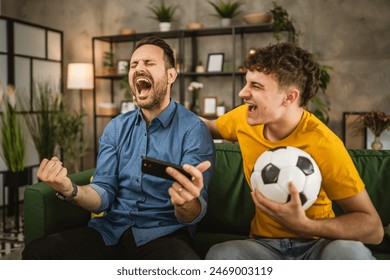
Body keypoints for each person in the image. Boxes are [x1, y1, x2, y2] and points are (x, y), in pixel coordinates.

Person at [22, 36, 215, 260]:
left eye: (149, 63)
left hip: (164, 236)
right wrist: (69, 189)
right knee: (37, 254)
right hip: (109, 233)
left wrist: (185, 202)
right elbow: (103, 193)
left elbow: (193, 211)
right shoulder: (116, 127)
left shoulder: (193, 129)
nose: (139, 68)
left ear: (171, 75)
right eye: (134, 65)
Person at [202, 42, 384, 260]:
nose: (243, 92)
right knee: (223, 254)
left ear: (289, 97)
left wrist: (306, 225)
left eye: (256, 86)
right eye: (246, 83)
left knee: (350, 253)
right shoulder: (244, 118)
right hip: (264, 246)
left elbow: (373, 229)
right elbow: (205, 127)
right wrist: (162, 110)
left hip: (318, 244)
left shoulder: (323, 143)